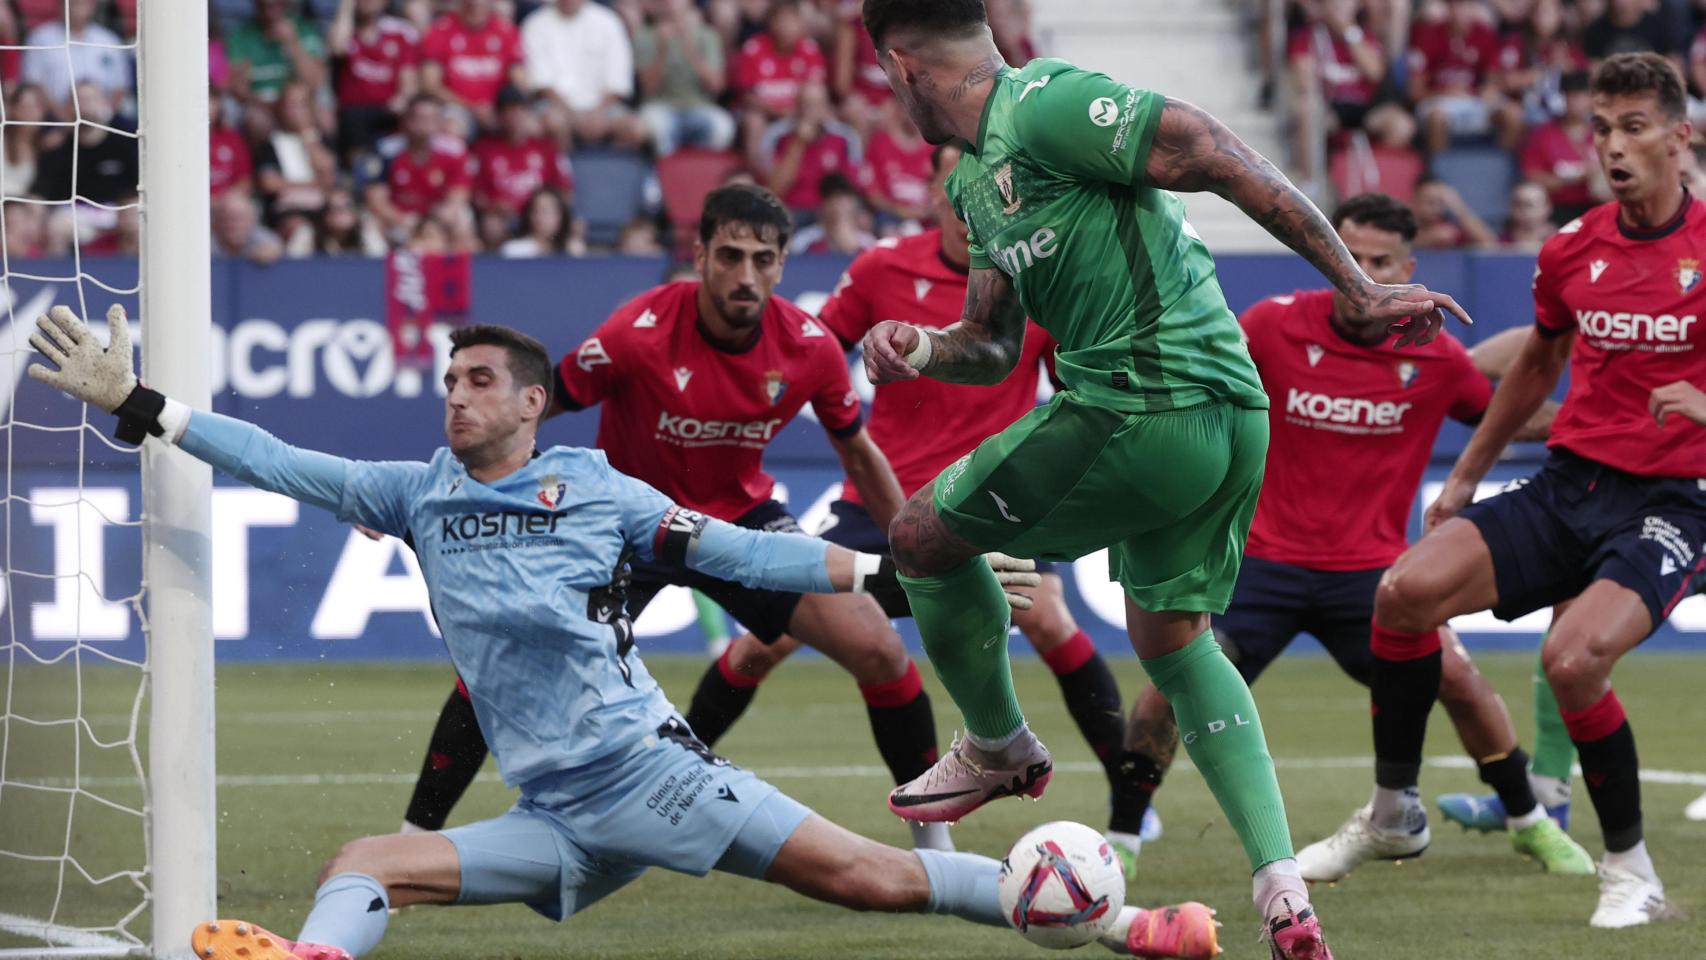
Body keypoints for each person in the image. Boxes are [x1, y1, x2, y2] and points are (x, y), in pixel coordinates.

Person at [25, 307, 1222, 960]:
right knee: (362, 864)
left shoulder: (598, 494)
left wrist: (898, 575)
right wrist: (144, 406)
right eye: (448, 380)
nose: (456, 395)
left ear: (532, 402)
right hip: (552, 815)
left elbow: (743, 554)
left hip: (644, 776)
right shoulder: (417, 494)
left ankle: (1124, 924)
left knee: (869, 882)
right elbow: (286, 463)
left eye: (480, 379)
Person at [857, 1, 1473, 955]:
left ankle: (997, 742)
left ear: (899, 67)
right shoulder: (978, 181)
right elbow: (989, 346)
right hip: (1225, 419)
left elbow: (1211, 144)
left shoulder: (1046, 104)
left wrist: (1357, 285)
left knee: (921, 538)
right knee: (1173, 639)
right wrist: (921, 344)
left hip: (1145, 400)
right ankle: (1282, 891)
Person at [401, 184, 1030, 855]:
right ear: (699, 256)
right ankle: (412, 840)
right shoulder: (636, 333)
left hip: (739, 526)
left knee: (878, 649)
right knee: (499, 668)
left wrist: (919, 544)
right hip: (624, 528)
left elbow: (859, 451)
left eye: (763, 259)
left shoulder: (810, 348)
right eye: (729, 255)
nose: (746, 274)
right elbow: (536, 405)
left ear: (783, 264)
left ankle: (933, 852)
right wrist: (446, 484)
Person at [1296, 53, 1703, 930]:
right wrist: (1469, 476)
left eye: (1634, 127)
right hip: (1566, 487)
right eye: (1600, 129)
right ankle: (1393, 810)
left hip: (1674, 500)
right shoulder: (1571, 250)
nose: (1614, 147)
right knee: (1404, 594)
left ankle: (1632, 871)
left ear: (1682, 136)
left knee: (1574, 659)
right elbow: (1535, 368)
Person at [682, 143, 1162, 867]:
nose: (976, 211)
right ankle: (680, 776)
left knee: (1049, 616)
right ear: (937, 194)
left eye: (993, 199)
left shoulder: (1035, 282)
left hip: (989, 503)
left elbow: (1075, 396)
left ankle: (1129, 816)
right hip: (880, 503)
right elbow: (807, 350)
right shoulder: (881, 269)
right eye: (959, 192)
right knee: (766, 640)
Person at [1114, 192, 1589, 881]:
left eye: (1377, 261)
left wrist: (1599, 410)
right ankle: (1123, 835)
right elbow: (1199, 389)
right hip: (1260, 568)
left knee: (1456, 676)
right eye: (1348, 256)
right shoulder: (1272, 327)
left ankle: (1529, 822)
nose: (1360, 272)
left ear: (1407, 267)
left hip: (1368, 577)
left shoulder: (1438, 358)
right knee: (1169, 688)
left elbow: (1510, 419)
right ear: (1324, 254)